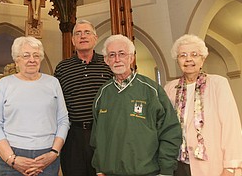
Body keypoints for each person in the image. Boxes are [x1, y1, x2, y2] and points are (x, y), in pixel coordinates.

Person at [90, 34, 182, 176]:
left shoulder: (152, 90)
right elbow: (97, 136)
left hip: (147, 172)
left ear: (131, 58)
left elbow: (170, 131)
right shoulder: (103, 93)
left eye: (122, 54)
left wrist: (166, 170)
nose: (117, 59)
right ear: (106, 60)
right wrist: (100, 167)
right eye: (112, 55)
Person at [0, 36, 70, 176]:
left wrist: (54, 152)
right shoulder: (5, 84)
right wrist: (11, 159)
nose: (32, 59)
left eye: (36, 55)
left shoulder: (53, 83)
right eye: (26, 55)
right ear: (16, 60)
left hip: (46, 157)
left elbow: (63, 120)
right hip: (10, 156)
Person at [164, 34, 242, 176]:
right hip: (177, 165)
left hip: (212, 165)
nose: (188, 59)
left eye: (194, 54)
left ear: (203, 59)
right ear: (177, 60)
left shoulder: (218, 84)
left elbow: (231, 126)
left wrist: (230, 167)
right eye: (183, 55)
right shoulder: (169, 88)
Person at [54, 19, 113, 176]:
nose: (83, 36)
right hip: (73, 135)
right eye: (78, 33)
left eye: (87, 32)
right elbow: (56, 103)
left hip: (103, 133)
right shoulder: (62, 68)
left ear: (95, 38)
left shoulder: (107, 64)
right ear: (73, 40)